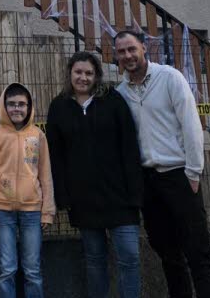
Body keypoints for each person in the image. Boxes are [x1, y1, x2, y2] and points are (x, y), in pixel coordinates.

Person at [113, 29, 210, 298]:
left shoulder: (170, 77)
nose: (127, 55)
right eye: (122, 51)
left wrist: (193, 173)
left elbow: (191, 126)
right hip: (148, 183)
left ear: (144, 48)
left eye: (131, 49)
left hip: (179, 177)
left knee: (198, 255)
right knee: (169, 256)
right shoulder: (121, 92)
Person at [46, 51, 143, 298]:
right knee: (95, 260)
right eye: (78, 72)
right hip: (84, 200)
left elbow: (130, 146)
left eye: (89, 73)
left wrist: (136, 192)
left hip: (120, 198)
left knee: (130, 258)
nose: (83, 77)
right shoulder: (58, 107)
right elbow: (55, 156)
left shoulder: (113, 100)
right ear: (70, 74)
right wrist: (63, 197)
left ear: (97, 76)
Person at [0, 83, 55, 298]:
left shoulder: (38, 135)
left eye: (22, 104)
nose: (17, 109)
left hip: (33, 211)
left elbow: (45, 174)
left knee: (32, 271)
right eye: (11, 104)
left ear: (29, 107)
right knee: (6, 269)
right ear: (4, 106)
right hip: (2, 211)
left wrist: (47, 210)